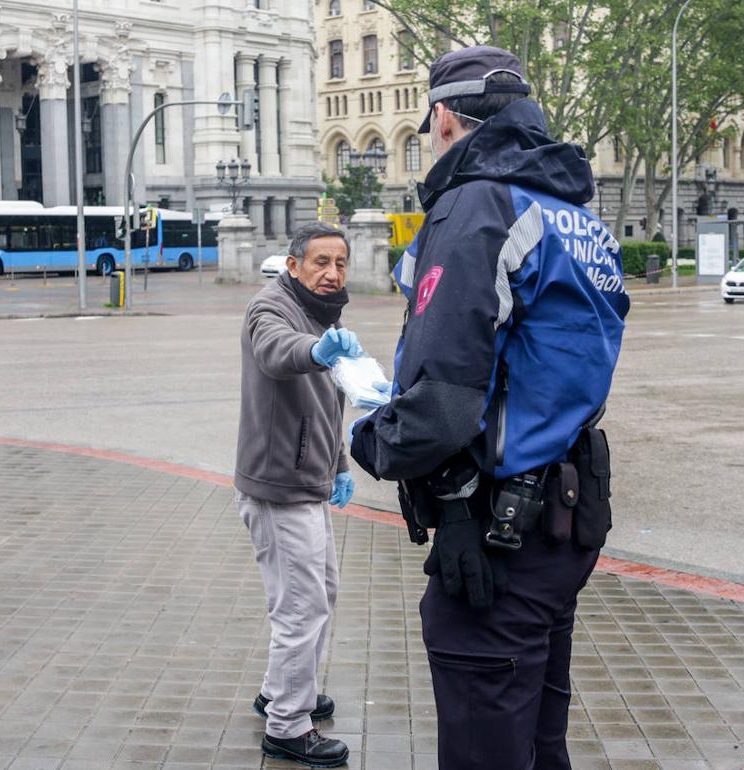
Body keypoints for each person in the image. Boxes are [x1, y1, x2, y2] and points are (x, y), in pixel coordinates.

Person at [349, 46, 629, 769]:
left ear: (443, 118)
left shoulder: (478, 202)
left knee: (486, 745)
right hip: (561, 518)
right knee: (536, 741)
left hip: (494, 534)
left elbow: (441, 400)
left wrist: (371, 439)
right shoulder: (572, 212)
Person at [235, 221, 362, 769]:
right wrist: (318, 349)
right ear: (292, 266)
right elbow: (276, 352)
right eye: (320, 263)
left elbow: (325, 404)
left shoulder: (320, 312)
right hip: (280, 489)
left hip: (306, 480)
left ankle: (280, 694)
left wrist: (338, 463)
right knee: (301, 606)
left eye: (340, 263)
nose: (332, 274)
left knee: (320, 593)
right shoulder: (272, 308)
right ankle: (287, 726)